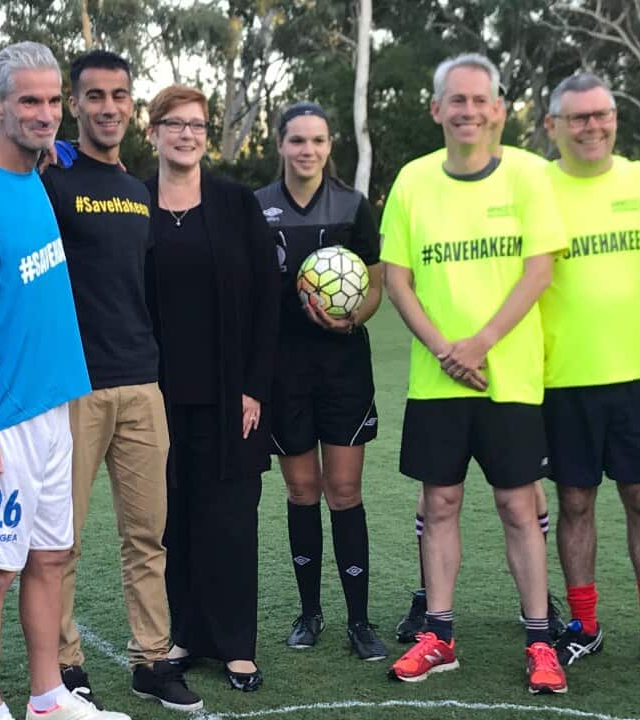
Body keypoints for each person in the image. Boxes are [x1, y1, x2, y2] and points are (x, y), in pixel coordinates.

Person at [0, 41, 127, 720]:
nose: (44, 115)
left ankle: (47, 696)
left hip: (53, 405)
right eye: (28, 101)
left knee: (51, 556)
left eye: (50, 101)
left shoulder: (37, 174)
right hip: (0, 420)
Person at [380, 53, 568, 694]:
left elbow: (539, 270)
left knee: (519, 506)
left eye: (478, 100)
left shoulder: (529, 175)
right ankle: (439, 635)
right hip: (439, 380)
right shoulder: (411, 181)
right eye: (454, 100)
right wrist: (444, 350)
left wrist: (481, 343)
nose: (467, 111)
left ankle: (542, 641)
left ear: (498, 108)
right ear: (436, 109)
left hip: (508, 377)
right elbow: (398, 281)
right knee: (440, 503)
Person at [44, 51, 200, 713]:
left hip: (142, 385)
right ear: (73, 106)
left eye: (119, 96)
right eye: (95, 96)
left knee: (147, 537)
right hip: (71, 386)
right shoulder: (50, 177)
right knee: (63, 542)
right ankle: (66, 665)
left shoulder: (139, 192)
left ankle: (151, 660)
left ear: (131, 108)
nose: (108, 107)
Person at [537, 73, 640, 674]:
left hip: (638, 375)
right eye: (578, 117)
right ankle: (585, 624)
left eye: (602, 115)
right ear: (553, 126)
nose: (593, 126)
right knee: (574, 501)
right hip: (561, 377)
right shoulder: (533, 185)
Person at [143, 84, 280, 692]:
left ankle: (236, 646)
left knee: (229, 520)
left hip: (230, 397)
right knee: (171, 521)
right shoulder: (132, 201)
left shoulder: (234, 204)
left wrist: (254, 385)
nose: (187, 134)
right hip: (155, 395)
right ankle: (185, 638)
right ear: (152, 133)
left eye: (197, 124)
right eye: (174, 123)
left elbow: (267, 302)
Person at [254, 102, 387, 661]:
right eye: (297, 141)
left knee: (345, 491)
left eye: (318, 141)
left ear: (330, 146)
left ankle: (359, 620)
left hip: (343, 368)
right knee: (302, 490)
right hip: (286, 371)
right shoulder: (257, 208)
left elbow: (375, 286)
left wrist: (351, 317)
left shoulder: (354, 207)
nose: (307, 151)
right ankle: (310, 614)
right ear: (280, 145)